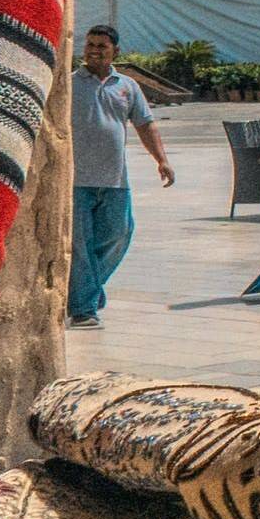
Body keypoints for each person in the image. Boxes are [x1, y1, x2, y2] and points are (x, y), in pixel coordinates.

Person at [67, 24, 171, 329]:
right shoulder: (70, 84)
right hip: (78, 180)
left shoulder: (126, 86)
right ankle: (83, 309)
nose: (94, 51)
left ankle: (86, 290)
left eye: (102, 46)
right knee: (81, 247)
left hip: (115, 179)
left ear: (116, 52)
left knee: (120, 233)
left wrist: (161, 160)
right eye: (90, 45)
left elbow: (145, 124)